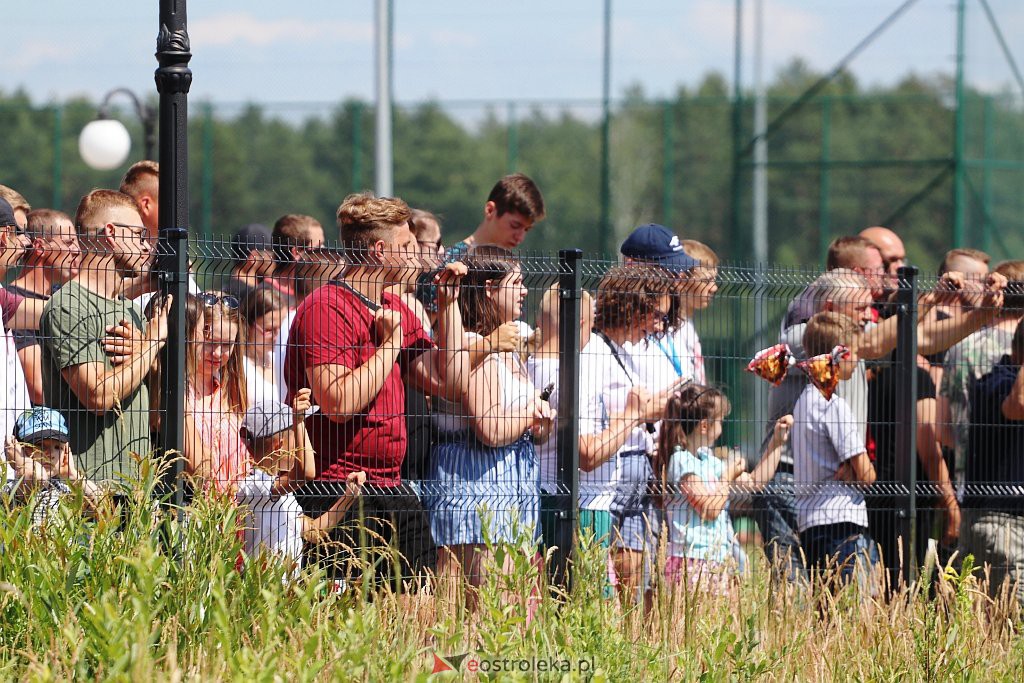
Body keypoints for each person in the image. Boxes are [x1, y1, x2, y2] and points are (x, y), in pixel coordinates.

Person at [286, 192, 468, 593]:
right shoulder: (326, 307)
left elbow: (449, 383)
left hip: (392, 485)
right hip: (339, 490)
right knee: (348, 617)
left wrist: (449, 305)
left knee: (417, 610)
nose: (418, 259)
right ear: (380, 251)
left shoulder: (395, 306)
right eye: (407, 248)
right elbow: (337, 404)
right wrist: (389, 346)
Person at [427, 247, 553, 609]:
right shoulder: (472, 345)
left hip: (506, 487)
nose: (525, 291)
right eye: (517, 283)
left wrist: (539, 423)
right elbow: (489, 427)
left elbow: (515, 424)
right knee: (489, 610)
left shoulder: (505, 346)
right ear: (488, 288)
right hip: (480, 485)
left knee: (511, 607)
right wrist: (532, 413)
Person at [39, 190, 167, 484]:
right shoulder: (68, 306)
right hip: (86, 488)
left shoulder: (130, 311)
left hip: (136, 488)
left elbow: (156, 400)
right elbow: (98, 396)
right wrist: (151, 344)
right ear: (111, 233)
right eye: (138, 235)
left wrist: (148, 353)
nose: (146, 247)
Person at [582, 263, 673, 608]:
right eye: (655, 314)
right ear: (633, 307)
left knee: (635, 577)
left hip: (635, 468)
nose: (658, 325)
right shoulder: (595, 350)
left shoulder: (629, 350)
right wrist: (643, 411)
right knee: (610, 578)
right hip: (607, 474)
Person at [656, 384, 792, 591]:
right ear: (704, 426)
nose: (722, 427)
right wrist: (728, 476)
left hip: (716, 559)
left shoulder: (709, 461)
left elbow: (755, 483)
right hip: (691, 561)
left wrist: (777, 442)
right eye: (720, 421)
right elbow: (709, 510)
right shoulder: (682, 462)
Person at [792, 312, 879, 588]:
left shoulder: (804, 402)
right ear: (841, 354)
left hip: (810, 521)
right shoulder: (835, 406)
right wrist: (855, 472)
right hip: (841, 521)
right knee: (845, 613)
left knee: (826, 612)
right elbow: (867, 475)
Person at [237, 390, 365, 571]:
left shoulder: (280, 492)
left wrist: (348, 496)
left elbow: (314, 532)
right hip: (261, 590)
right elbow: (306, 472)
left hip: (284, 593)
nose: (302, 442)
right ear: (279, 445)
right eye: (296, 436)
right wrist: (298, 420)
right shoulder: (254, 487)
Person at [961, 318, 1024, 604]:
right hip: (1002, 526)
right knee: (1011, 631)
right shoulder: (1000, 381)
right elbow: (1018, 406)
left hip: (1006, 526)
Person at [527, 284, 595, 549]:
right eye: (591, 323)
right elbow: (585, 449)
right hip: (557, 495)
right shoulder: (569, 374)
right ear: (579, 322)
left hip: (524, 489)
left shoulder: (518, 364)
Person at [7, 209, 80, 404]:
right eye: (68, 242)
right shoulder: (12, 302)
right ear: (40, 247)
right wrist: (91, 389)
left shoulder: (61, 296)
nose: (77, 250)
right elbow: (39, 388)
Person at [184, 292, 249, 495]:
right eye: (211, 342)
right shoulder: (180, 392)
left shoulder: (232, 392)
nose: (218, 353)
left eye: (227, 345)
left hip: (233, 513)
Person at [3, 407, 102, 525]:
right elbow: (38, 478)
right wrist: (22, 463)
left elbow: (100, 504)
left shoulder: (63, 491)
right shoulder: (13, 489)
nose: (50, 454)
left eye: (57, 447)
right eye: (40, 445)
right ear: (19, 450)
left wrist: (72, 475)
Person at [264, 213, 326, 305]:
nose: (325, 251)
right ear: (296, 252)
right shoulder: (265, 297)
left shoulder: (320, 291)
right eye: (318, 246)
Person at [240, 287, 287, 407]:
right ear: (248, 324)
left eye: (281, 329)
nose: (277, 336)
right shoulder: (240, 365)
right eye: (269, 330)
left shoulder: (280, 358)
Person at [220, 224, 276, 302]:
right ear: (253, 257)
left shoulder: (222, 291)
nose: (277, 260)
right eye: (272, 254)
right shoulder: (254, 298)